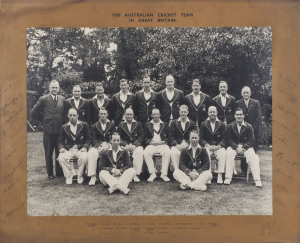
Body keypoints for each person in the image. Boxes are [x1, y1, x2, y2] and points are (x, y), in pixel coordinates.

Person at [31, 80, 65, 178]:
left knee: (59, 151)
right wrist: (44, 120)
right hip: (48, 131)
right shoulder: (43, 99)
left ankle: (59, 173)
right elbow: (34, 112)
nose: (54, 89)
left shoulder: (62, 99)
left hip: (59, 130)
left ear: (59, 88)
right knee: (49, 152)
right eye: (52, 87)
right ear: (49, 88)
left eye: (56, 87)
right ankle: (50, 174)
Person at [224, 108, 262, 187]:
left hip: (246, 148)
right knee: (228, 153)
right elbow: (229, 139)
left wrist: (244, 147)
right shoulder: (230, 126)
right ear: (234, 116)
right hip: (234, 147)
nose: (239, 116)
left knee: (254, 156)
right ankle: (228, 177)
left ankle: (257, 180)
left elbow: (252, 140)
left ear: (243, 115)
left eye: (240, 114)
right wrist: (236, 147)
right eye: (237, 114)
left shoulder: (249, 126)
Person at [57, 108, 91, 185]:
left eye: (74, 115)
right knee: (61, 157)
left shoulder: (84, 125)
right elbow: (60, 140)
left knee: (84, 157)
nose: (72, 117)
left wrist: (85, 147)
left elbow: (88, 139)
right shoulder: (64, 127)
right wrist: (61, 147)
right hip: (69, 150)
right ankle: (69, 176)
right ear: (68, 116)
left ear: (77, 116)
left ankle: (80, 175)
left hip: (80, 149)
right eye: (70, 115)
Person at [87, 107, 115, 186]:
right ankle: (93, 176)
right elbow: (93, 138)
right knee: (91, 153)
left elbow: (113, 137)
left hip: (108, 145)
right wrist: (98, 146)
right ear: (99, 115)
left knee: (113, 151)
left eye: (104, 114)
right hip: (98, 146)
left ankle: (112, 174)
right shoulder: (94, 125)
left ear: (107, 115)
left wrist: (108, 144)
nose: (103, 115)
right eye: (101, 114)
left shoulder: (111, 125)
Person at [200, 106, 226, 184]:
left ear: (216, 113)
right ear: (208, 113)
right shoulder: (203, 124)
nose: (212, 114)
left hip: (218, 147)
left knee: (222, 153)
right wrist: (207, 145)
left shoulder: (221, 124)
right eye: (210, 112)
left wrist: (218, 146)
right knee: (206, 153)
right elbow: (201, 138)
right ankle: (208, 175)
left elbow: (224, 138)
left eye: (213, 112)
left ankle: (220, 175)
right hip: (208, 147)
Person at [117, 108, 144, 182]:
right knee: (124, 152)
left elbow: (141, 136)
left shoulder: (138, 124)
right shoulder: (121, 125)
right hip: (125, 146)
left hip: (135, 145)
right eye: (127, 114)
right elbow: (119, 138)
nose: (129, 116)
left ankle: (136, 174)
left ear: (133, 115)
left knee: (139, 152)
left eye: (130, 114)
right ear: (124, 115)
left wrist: (135, 145)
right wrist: (125, 145)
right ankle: (126, 174)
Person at [143, 108, 171, 182]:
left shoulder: (165, 124)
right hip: (152, 145)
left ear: (160, 115)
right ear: (151, 115)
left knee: (168, 152)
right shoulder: (147, 124)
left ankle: (164, 174)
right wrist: (150, 142)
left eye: (157, 114)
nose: (156, 116)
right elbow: (145, 138)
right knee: (146, 152)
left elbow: (169, 137)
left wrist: (163, 142)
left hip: (162, 144)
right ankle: (152, 173)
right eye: (154, 114)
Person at [169, 105, 196, 171]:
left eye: (185, 112)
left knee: (192, 152)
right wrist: (177, 145)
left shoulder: (192, 123)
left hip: (188, 145)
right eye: (182, 112)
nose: (183, 113)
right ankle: (177, 170)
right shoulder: (174, 123)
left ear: (187, 112)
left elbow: (194, 135)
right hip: (177, 145)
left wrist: (188, 144)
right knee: (173, 152)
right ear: (179, 112)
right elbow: (171, 136)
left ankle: (188, 170)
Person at [236, 86, 262, 152]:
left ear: (250, 93)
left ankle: (254, 161)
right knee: (243, 147)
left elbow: (259, 116)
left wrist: (253, 128)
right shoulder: (238, 103)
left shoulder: (256, 102)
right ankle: (243, 162)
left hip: (254, 129)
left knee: (254, 148)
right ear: (241, 94)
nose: (245, 94)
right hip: (242, 130)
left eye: (247, 92)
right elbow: (237, 116)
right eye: (244, 93)